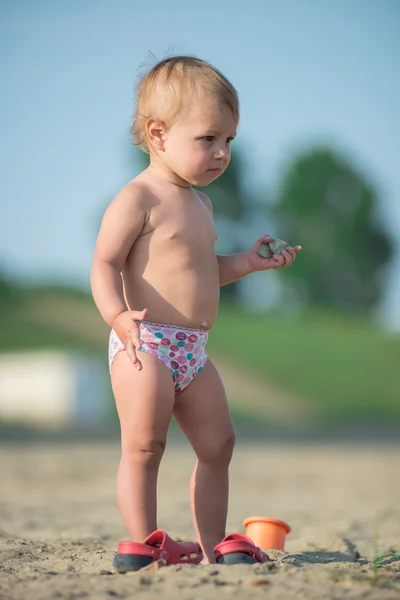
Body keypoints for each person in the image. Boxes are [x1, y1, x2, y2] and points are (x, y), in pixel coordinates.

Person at [90, 55, 301, 570]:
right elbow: (104, 262)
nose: (222, 153)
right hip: (146, 343)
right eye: (208, 139)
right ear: (158, 133)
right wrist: (118, 317)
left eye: (229, 141)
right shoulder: (138, 197)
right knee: (145, 444)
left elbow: (203, 271)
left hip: (192, 351)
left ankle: (209, 545)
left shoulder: (201, 206)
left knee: (219, 444)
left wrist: (247, 264)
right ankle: (144, 543)